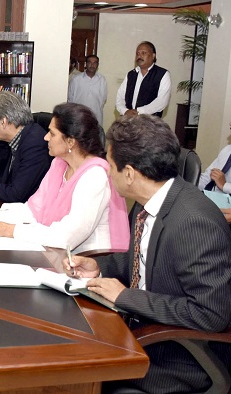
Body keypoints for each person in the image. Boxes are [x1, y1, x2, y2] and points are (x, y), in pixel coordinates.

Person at [65, 115, 231, 393]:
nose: (107, 170)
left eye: (110, 163)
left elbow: (210, 314)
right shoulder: (149, 202)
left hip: (177, 356)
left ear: (129, 173)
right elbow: (138, 260)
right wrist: (98, 266)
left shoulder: (193, 221)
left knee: (69, 370)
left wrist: (124, 297)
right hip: (138, 330)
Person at [0, 103, 129, 253]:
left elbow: (67, 236)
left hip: (85, 265)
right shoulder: (59, 164)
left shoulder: (95, 176)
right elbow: (34, 209)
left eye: (52, 134)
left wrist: (9, 230)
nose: (45, 137)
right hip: (53, 253)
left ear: (70, 141)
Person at [115, 41, 171, 118]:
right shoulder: (131, 74)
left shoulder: (162, 74)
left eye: (143, 53)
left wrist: (138, 112)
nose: (139, 56)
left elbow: (161, 102)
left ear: (153, 56)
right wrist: (125, 111)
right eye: (137, 54)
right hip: (128, 122)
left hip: (151, 124)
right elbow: (120, 97)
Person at [67, 55, 107, 125]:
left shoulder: (102, 80)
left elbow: (103, 99)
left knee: (94, 134)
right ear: (86, 64)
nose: (92, 65)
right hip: (79, 116)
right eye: (90, 62)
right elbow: (70, 99)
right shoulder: (76, 79)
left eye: (95, 63)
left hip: (96, 116)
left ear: (98, 65)